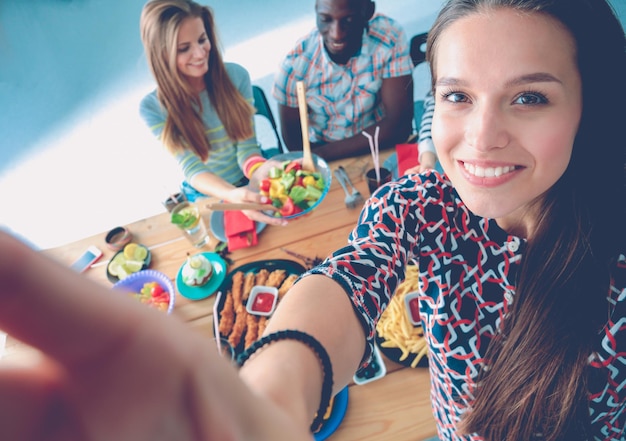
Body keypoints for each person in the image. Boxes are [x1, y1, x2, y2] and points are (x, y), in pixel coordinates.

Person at [0, 1, 624, 440]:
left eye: (529, 97)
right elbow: (350, 280)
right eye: (459, 95)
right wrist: (268, 399)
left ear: (592, 103)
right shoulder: (424, 203)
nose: (481, 138)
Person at [139, 0, 284, 226]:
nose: (199, 53)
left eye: (202, 39)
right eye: (183, 48)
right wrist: (231, 195)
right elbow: (193, 168)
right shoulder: (152, 109)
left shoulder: (237, 76)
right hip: (205, 193)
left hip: (247, 177)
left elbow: (246, 147)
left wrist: (258, 170)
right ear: (161, 56)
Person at [272, 0, 414, 162]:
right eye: (325, 19)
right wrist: (320, 157)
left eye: (349, 20)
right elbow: (298, 148)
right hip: (331, 156)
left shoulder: (389, 36)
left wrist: (321, 155)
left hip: (382, 146)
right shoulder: (294, 67)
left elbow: (400, 126)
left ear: (368, 11)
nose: (336, 34)